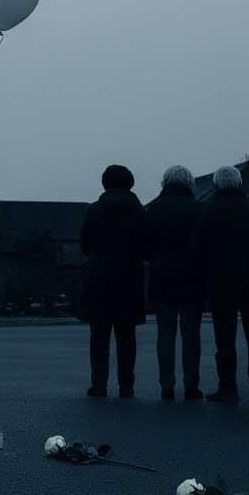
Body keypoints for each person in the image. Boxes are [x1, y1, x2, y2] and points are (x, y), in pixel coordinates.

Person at [193, 166, 249, 404]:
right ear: (239, 184)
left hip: (221, 281)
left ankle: (228, 387)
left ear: (217, 185)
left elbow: (199, 249)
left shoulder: (207, 211)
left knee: (225, 338)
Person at [78, 165, 147, 398]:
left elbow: (84, 243)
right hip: (130, 278)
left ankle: (99, 384)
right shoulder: (139, 211)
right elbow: (147, 244)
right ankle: (126, 385)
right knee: (126, 336)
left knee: (99, 336)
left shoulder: (94, 211)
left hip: (100, 278)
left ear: (104, 183)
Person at [142, 165, 203, 401]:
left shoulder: (153, 210)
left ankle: (166, 385)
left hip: (162, 277)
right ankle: (191, 385)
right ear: (189, 183)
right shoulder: (198, 210)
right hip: (191, 278)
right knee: (191, 336)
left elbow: (145, 247)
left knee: (165, 334)